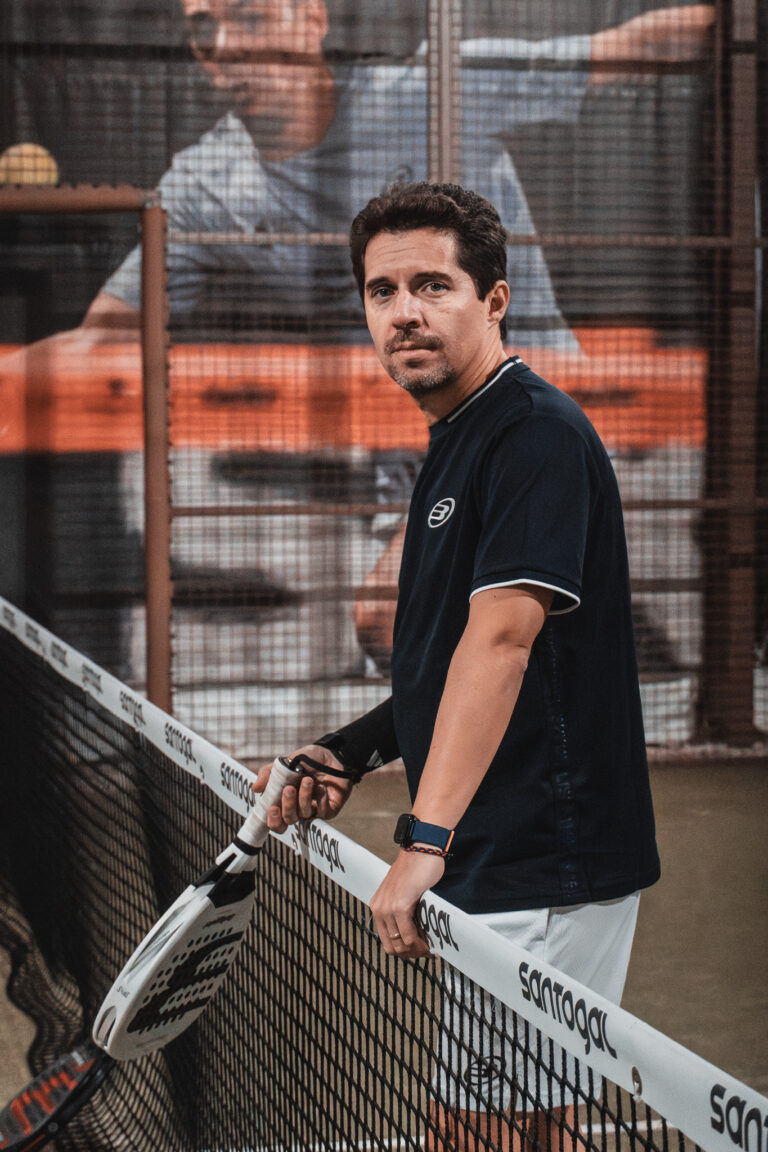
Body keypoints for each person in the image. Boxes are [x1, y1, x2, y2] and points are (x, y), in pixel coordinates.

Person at [255, 181, 661, 1151]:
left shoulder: (533, 436)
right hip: (503, 843)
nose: (404, 312)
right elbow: (444, 653)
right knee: (531, 1122)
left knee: (472, 1129)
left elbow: (503, 643)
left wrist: (425, 839)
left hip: (544, 854)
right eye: (382, 291)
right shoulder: (460, 435)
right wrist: (354, 749)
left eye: (432, 285)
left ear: (494, 299)